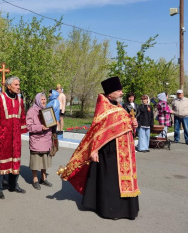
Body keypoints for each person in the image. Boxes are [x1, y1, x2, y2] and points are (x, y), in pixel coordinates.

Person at [59, 76, 140, 220]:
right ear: (110, 93)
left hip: (124, 151)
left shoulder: (118, 106)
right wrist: (94, 150)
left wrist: (133, 126)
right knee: (111, 181)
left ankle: (127, 209)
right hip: (109, 151)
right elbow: (97, 131)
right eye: (119, 90)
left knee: (122, 179)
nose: (122, 93)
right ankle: (112, 210)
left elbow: (124, 126)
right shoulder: (104, 108)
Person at [0, 77, 28, 199]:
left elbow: (22, 117)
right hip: (2, 137)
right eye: (16, 84)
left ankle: (13, 185)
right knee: (1, 162)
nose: (18, 87)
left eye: (19, 84)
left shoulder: (20, 100)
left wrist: (21, 130)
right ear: (9, 86)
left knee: (15, 161)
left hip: (15, 137)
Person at [26, 93, 53, 190]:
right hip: (37, 140)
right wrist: (40, 127)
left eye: (45, 99)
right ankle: (35, 179)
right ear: (37, 100)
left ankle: (43, 178)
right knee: (36, 160)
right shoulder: (31, 111)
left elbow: (51, 122)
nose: (44, 101)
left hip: (46, 139)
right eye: (41, 99)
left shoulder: (47, 110)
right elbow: (28, 126)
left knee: (45, 160)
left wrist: (55, 123)